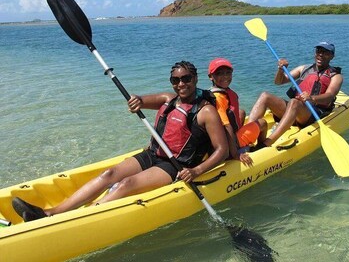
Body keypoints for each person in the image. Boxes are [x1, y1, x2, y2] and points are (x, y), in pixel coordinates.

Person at [12, 61, 229, 222]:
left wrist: (196, 171)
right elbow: (141, 100)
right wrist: (136, 101)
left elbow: (221, 150)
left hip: (175, 165)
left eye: (186, 79)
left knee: (126, 184)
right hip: (153, 153)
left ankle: (81, 217)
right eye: (176, 80)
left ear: (195, 79)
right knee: (109, 174)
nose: (181, 84)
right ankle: (50, 213)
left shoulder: (206, 111)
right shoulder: (167, 99)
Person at [248, 42, 343, 148]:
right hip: (296, 110)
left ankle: (266, 143)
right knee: (265, 96)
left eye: (325, 53)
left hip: (313, 113)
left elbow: (329, 96)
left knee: (294, 102)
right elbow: (279, 81)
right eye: (318, 51)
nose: (320, 54)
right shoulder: (304, 68)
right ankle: (246, 134)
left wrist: (311, 98)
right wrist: (280, 69)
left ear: (332, 56)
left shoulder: (336, 76)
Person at [208, 58, 267, 166]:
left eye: (228, 73)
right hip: (229, 143)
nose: (225, 76)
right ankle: (260, 148)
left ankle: (243, 142)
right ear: (211, 77)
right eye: (219, 73)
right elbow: (226, 126)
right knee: (263, 123)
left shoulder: (216, 92)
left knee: (241, 112)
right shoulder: (218, 98)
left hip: (224, 137)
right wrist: (235, 154)